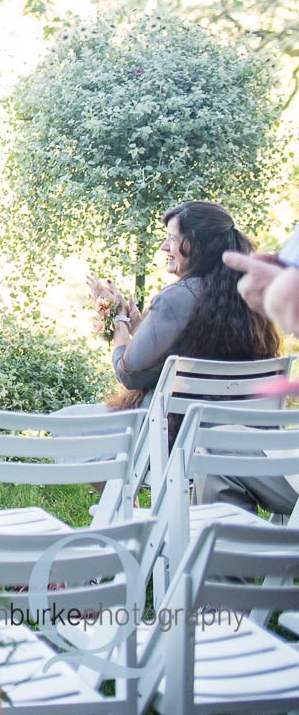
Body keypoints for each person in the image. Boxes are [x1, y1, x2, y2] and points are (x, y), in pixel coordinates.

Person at [85, 201, 292, 515]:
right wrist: (142, 326)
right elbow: (195, 357)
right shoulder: (249, 298)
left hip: (175, 439)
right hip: (245, 441)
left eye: (170, 237)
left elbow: (129, 372)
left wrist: (120, 323)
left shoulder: (176, 297)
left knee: (78, 426)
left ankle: (129, 515)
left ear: (194, 244)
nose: (164, 246)